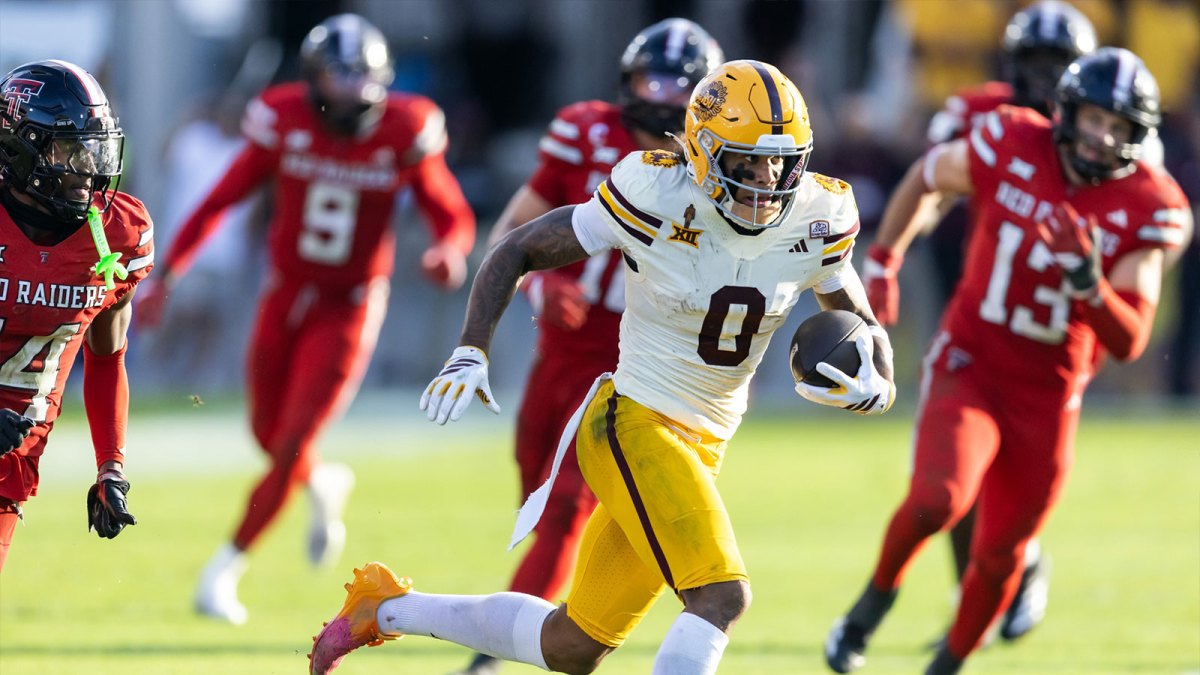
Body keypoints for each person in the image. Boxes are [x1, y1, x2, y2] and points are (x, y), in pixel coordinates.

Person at [308, 58, 897, 675]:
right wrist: (471, 347)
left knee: (572, 645)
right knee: (721, 596)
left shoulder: (819, 213)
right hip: (634, 422)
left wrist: (876, 381)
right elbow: (518, 247)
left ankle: (386, 609)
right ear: (702, 152)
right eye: (747, 162)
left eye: (781, 161)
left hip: (704, 444)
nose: (766, 180)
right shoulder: (656, 193)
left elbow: (857, 318)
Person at [825, 47, 1192, 675]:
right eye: (1093, 119)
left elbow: (1130, 339)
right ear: (1067, 113)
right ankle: (870, 604)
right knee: (939, 498)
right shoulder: (1012, 139)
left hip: (1048, 396)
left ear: (1138, 136)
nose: (1102, 137)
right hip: (973, 360)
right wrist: (884, 260)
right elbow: (928, 175)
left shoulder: (1150, 202)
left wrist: (1089, 283)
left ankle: (948, 665)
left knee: (1002, 555)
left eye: (1118, 126)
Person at [134, 14, 476, 624]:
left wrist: (449, 248)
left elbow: (449, 209)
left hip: (350, 305)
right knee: (265, 432)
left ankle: (224, 569)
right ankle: (323, 484)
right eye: (338, 76)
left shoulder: (405, 127)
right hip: (284, 293)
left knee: (292, 443)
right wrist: (167, 275)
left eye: (361, 77)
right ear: (314, 78)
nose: (350, 90)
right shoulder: (282, 116)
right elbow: (221, 199)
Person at [456, 18, 723, 675]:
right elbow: (514, 229)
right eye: (650, 81)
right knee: (533, 487)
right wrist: (540, 287)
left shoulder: (718, 166)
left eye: (677, 85)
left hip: (634, 363)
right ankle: (527, 622)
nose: (660, 97)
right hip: (560, 349)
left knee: (564, 511)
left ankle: (491, 657)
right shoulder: (585, 130)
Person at [866, 0, 1097, 643]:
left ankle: (1019, 561)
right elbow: (933, 185)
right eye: (1036, 63)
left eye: (1059, 65)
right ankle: (979, 591)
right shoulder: (983, 115)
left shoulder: (1104, 131)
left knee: (1014, 463)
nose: (1046, 78)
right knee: (953, 461)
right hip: (977, 295)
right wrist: (894, 252)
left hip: (1059, 320)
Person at [0, 60, 153, 570]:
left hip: (9, 467)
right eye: (70, 151)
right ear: (21, 147)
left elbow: (107, 358)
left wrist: (111, 466)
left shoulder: (117, 235)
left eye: (94, 149)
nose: (88, 169)